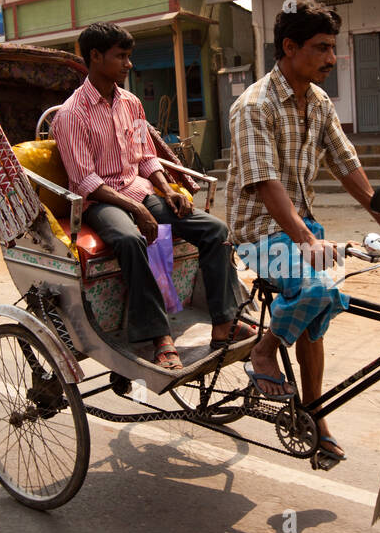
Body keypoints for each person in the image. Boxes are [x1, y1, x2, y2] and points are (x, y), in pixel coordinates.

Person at [227, 0, 380, 466]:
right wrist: (308, 244)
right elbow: (267, 185)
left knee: (318, 306)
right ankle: (264, 350)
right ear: (289, 48)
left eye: (334, 48)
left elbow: (344, 160)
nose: (332, 58)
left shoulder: (319, 100)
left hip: (300, 225)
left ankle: (313, 414)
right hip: (259, 231)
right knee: (316, 286)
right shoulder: (253, 106)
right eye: (322, 48)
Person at [51, 22, 251, 370]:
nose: (129, 65)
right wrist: (135, 209)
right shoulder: (71, 115)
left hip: (141, 192)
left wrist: (167, 188)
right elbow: (85, 181)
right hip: (101, 202)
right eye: (121, 57)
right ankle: (159, 335)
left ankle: (223, 322)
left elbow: (145, 158)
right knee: (130, 240)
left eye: (130, 57)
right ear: (95, 57)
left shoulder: (131, 103)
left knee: (215, 230)